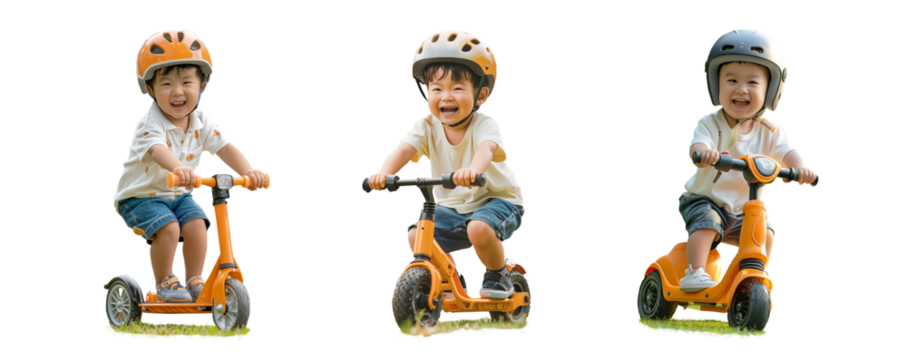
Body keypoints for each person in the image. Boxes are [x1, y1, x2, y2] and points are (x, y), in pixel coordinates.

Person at [114, 27, 269, 303]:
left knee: (198, 222)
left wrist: (248, 171)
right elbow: (158, 149)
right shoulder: (150, 122)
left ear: (202, 85)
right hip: (139, 197)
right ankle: (164, 281)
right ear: (149, 88)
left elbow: (225, 147)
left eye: (186, 82)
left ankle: (196, 280)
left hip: (177, 195)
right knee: (170, 227)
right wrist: (178, 169)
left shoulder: (202, 121)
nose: (177, 92)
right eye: (166, 84)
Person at [368, 28, 525, 299]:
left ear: (481, 95)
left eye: (457, 88)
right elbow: (404, 150)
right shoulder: (426, 125)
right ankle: (448, 279)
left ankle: (498, 275)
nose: (446, 96)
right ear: (426, 91)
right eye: (437, 88)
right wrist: (384, 174)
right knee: (417, 235)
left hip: (499, 202)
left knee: (479, 227)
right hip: (453, 207)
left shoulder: (485, 124)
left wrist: (473, 171)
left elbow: (486, 150)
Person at [678, 27, 815, 292]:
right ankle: (694, 272)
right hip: (704, 199)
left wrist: (800, 168)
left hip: (744, 209)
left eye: (752, 82)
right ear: (717, 84)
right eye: (731, 81)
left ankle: (752, 274)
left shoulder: (771, 131)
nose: (741, 89)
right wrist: (703, 153)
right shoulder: (710, 122)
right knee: (708, 223)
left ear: (770, 90)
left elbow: (788, 152)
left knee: (765, 233)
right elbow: (698, 143)